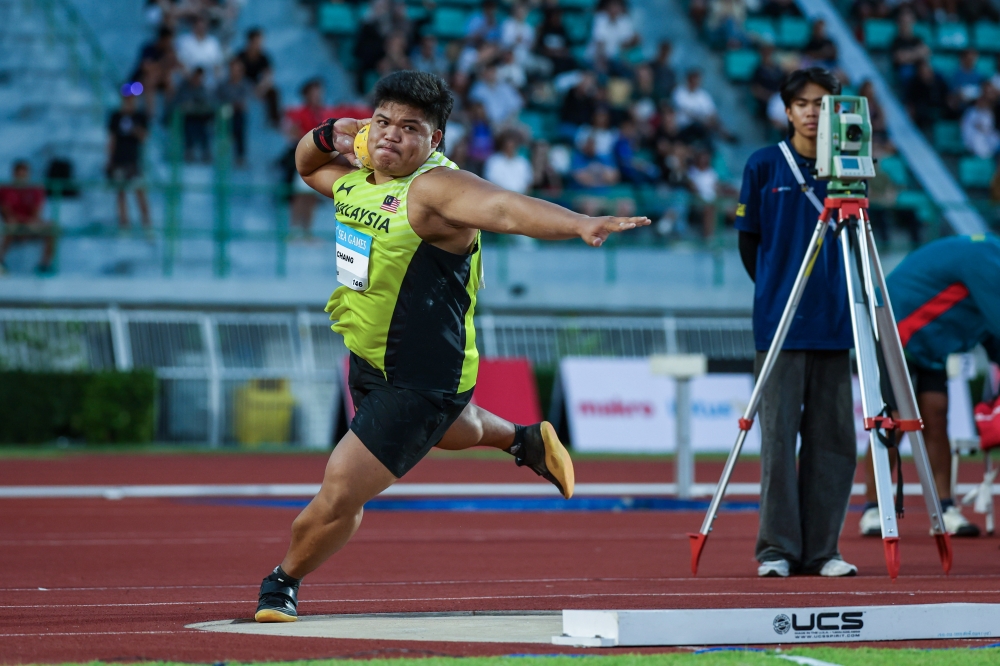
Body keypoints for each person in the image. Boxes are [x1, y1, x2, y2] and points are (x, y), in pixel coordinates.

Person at [253, 70, 648, 622]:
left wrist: (582, 223)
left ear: (435, 141)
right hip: (369, 356)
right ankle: (525, 440)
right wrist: (328, 133)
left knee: (342, 489)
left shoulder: (438, 190)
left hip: (420, 374)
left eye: (409, 129)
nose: (391, 136)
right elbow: (307, 166)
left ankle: (282, 580)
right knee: (447, 427)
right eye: (383, 122)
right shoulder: (362, 175)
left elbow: (507, 209)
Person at [735, 67, 858, 578]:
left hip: (834, 322)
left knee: (834, 441)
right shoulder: (764, 165)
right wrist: (774, 290)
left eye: (822, 104)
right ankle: (777, 550)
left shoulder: (849, 167)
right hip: (780, 324)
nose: (812, 112)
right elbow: (749, 242)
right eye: (803, 103)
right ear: (787, 111)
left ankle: (823, 550)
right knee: (779, 440)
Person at [859, 235, 1000, 538]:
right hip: (893, 328)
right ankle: (873, 508)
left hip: (932, 343)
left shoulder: (987, 258)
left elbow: (992, 334)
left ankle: (943, 508)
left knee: (936, 414)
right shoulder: (985, 257)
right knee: (891, 420)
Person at [0, 161, 56, 275]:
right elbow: (6, 211)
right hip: (13, 225)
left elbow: (36, 213)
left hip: (28, 224)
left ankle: (45, 265)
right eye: (19, 175)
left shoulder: (35, 190)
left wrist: (27, 222)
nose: (21, 178)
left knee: (53, 228)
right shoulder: (5, 190)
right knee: (10, 226)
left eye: (24, 175)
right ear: (14, 175)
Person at [106, 92, 151, 231]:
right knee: (121, 192)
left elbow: (144, 138)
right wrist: (109, 160)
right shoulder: (116, 116)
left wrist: (135, 130)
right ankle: (124, 223)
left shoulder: (140, 117)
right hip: (119, 160)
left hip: (133, 161)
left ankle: (146, 223)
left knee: (140, 191)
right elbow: (111, 139)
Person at [236, 28, 281, 127]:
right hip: (242, 86)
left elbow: (268, 76)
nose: (260, 44)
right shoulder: (240, 56)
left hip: (257, 87)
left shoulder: (264, 57)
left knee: (273, 92)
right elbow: (236, 75)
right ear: (250, 42)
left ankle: (274, 120)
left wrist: (261, 88)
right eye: (257, 42)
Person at [216, 58, 254, 166]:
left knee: (239, 119)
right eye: (232, 69)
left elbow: (245, 103)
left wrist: (234, 105)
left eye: (237, 69)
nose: (234, 72)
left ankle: (239, 154)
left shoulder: (246, 84)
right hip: (225, 113)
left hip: (238, 114)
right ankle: (224, 141)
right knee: (225, 113)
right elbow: (216, 100)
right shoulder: (223, 85)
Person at [483, 129, 533, 194]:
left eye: (513, 144)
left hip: (520, 198)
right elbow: (490, 182)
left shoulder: (523, 162)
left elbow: (528, 184)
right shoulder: (493, 161)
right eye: (508, 143)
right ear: (503, 144)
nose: (510, 147)